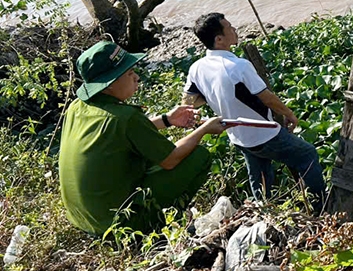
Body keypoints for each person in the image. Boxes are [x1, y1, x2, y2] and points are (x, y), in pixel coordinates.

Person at [59, 40, 227, 237]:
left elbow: (120, 134)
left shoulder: (77, 107)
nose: (137, 77)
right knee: (198, 156)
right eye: (130, 74)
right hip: (119, 226)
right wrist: (203, 130)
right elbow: (171, 159)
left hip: (83, 219)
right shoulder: (125, 118)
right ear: (110, 84)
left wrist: (167, 120)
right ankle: (156, 224)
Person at [183, 13, 327, 213]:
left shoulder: (197, 68)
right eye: (229, 27)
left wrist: (214, 94)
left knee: (260, 176)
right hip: (263, 132)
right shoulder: (238, 66)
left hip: (237, 135)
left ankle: (265, 212)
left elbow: (189, 102)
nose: (234, 29)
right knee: (307, 155)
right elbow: (266, 97)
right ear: (219, 39)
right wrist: (289, 113)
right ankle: (322, 207)